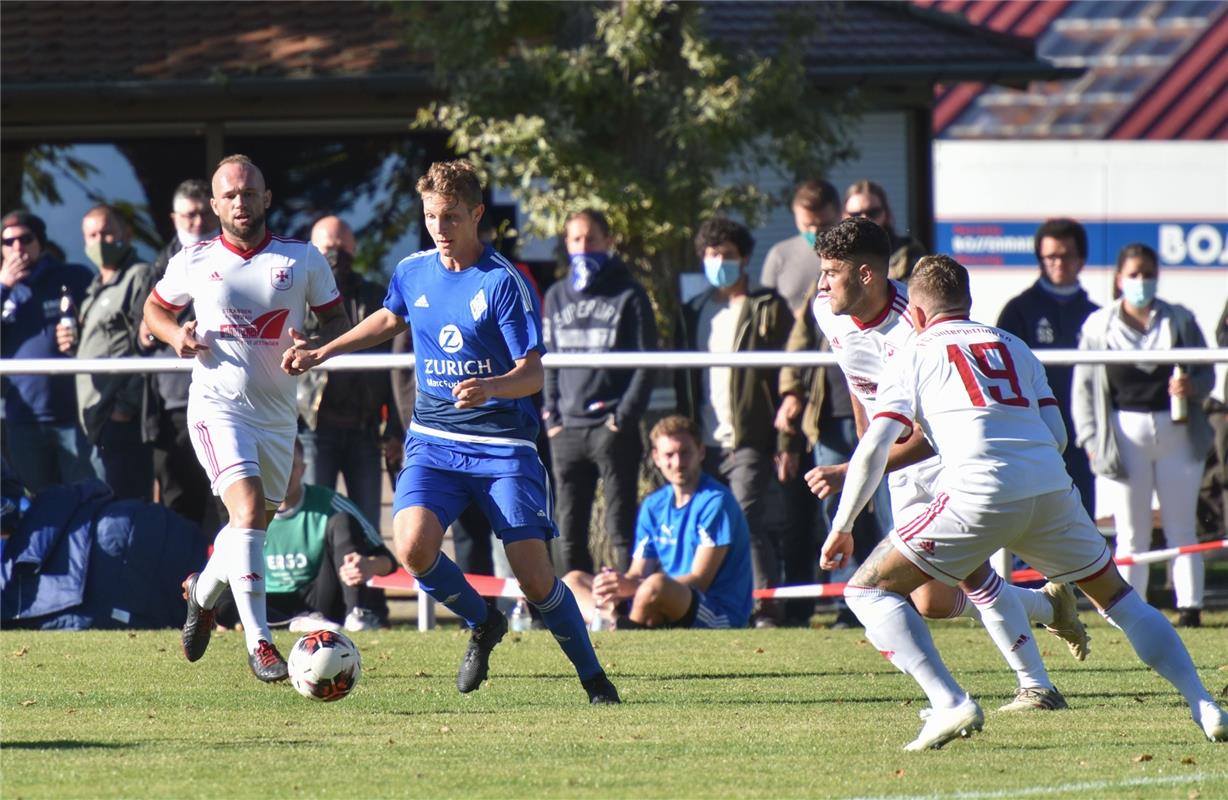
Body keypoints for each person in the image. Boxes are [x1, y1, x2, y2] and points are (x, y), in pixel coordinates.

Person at [819, 254, 1227, 749]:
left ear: (919, 315)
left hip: (978, 490)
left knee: (866, 591)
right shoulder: (1015, 346)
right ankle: (1203, 702)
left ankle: (950, 702)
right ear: (969, 304)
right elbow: (1057, 434)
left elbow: (874, 448)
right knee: (1122, 602)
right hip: (1051, 488)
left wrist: (842, 525)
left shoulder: (911, 352)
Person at [282, 159, 620, 704]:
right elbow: (391, 318)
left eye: (452, 216)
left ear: (477, 214)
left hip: (502, 447)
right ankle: (481, 621)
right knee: (413, 547)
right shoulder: (413, 270)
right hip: (434, 441)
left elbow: (532, 372)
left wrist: (493, 386)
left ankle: (592, 677)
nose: (440, 227)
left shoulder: (504, 282)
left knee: (535, 578)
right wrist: (324, 351)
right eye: (431, 215)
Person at [805, 219, 1087, 712]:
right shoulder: (828, 312)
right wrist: (863, 454)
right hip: (893, 459)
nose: (821, 284)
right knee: (932, 601)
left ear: (867, 275)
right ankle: (1048, 606)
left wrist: (862, 469)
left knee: (970, 576)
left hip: (946, 458)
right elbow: (860, 386)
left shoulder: (914, 328)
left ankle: (1037, 686)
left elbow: (932, 436)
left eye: (830, 272)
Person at [144, 154, 349, 682]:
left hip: (279, 417)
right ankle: (260, 643)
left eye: (248, 192)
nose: (240, 201)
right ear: (214, 205)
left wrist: (316, 346)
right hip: (217, 408)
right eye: (229, 194)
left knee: (250, 522)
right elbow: (155, 310)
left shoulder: (301, 259)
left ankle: (202, 592)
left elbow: (337, 321)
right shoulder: (194, 258)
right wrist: (176, 337)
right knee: (249, 507)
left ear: (266, 198)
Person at [1071, 243, 1214, 628]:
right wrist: (1089, 439)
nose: (1141, 281)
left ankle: (1190, 608)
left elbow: (1208, 373)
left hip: (1178, 432)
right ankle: (1128, 611)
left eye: (1148, 273)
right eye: (1133, 274)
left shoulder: (1180, 319)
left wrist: (1193, 388)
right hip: (1123, 433)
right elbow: (1083, 388)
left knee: (1181, 526)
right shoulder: (1099, 325)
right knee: (1131, 532)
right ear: (1119, 279)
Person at [675, 217, 795, 628]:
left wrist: (784, 440)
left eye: (726, 255)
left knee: (746, 520)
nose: (718, 262)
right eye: (711, 255)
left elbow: (786, 376)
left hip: (749, 437)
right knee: (707, 521)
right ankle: (716, 605)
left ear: (744, 258)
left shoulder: (766, 306)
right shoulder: (693, 310)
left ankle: (766, 607)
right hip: (702, 440)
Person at [543, 208, 657, 574]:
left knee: (620, 527)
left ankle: (625, 612)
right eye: (576, 239)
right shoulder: (557, 295)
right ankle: (577, 610)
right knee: (569, 530)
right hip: (566, 431)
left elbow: (646, 362)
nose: (584, 246)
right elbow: (548, 362)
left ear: (608, 242)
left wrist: (623, 417)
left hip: (612, 428)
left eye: (591, 238)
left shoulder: (630, 294)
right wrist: (552, 416)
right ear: (566, 243)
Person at [564, 414, 752, 629]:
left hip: (716, 610)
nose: (678, 463)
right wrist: (615, 585)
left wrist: (634, 586)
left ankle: (623, 633)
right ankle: (613, 623)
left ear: (701, 452)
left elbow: (700, 580)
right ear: (656, 458)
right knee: (572, 582)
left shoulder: (716, 502)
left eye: (685, 453)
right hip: (655, 596)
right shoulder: (653, 505)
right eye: (669, 455)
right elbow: (638, 572)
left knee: (656, 585)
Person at [213, 438, 396, 633]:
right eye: (276, 465)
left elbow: (389, 560)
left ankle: (356, 615)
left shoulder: (329, 502)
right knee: (218, 599)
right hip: (265, 600)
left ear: (303, 468)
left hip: (321, 600)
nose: (283, 473)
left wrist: (368, 566)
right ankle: (293, 624)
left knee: (343, 522)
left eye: (290, 465)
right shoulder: (246, 509)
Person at [297, 215, 404, 532]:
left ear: (354, 247)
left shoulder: (375, 297)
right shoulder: (300, 296)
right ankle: (315, 584)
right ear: (312, 250)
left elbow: (395, 366)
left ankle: (366, 583)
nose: (335, 252)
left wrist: (395, 427)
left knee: (367, 524)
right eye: (327, 246)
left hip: (365, 431)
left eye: (342, 245)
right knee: (313, 521)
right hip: (314, 428)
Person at [997, 218, 1098, 517]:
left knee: (1079, 520)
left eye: (1066, 255)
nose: (1058, 263)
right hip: (1032, 434)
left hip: (1079, 438)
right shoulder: (1018, 311)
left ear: (1081, 260)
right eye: (1050, 256)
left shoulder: (1095, 315)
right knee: (1027, 521)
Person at [57, 205, 157, 501]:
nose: (100, 241)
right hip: (94, 420)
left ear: (126, 233)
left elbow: (147, 346)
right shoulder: (94, 288)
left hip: (120, 420)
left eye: (106, 232)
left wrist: (125, 408)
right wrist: (72, 345)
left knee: (124, 509)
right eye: (92, 235)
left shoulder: (139, 276)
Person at [144, 180, 220, 530]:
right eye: (189, 215)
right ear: (174, 218)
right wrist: (167, 330)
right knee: (180, 505)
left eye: (205, 212)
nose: (198, 222)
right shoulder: (157, 268)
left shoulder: (239, 257)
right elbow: (141, 327)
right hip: (174, 401)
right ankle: (185, 584)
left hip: (227, 393)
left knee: (226, 503)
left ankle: (230, 585)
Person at [1, 210, 95, 492]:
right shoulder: (4, 288)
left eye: (25, 239)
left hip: (74, 415)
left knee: (83, 501)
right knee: (36, 508)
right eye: (8, 242)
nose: (17, 247)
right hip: (22, 418)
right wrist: (4, 286)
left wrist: (77, 338)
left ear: (40, 242)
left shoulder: (72, 277)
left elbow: (101, 329)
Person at [760, 179, 842, 313]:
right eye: (807, 225)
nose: (815, 232)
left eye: (824, 225)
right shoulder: (780, 255)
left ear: (839, 214)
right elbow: (764, 310)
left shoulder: (855, 256)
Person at [842, 180, 925, 283]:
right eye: (855, 214)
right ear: (844, 216)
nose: (864, 219)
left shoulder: (907, 252)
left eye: (873, 212)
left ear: (886, 213)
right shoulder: (837, 255)